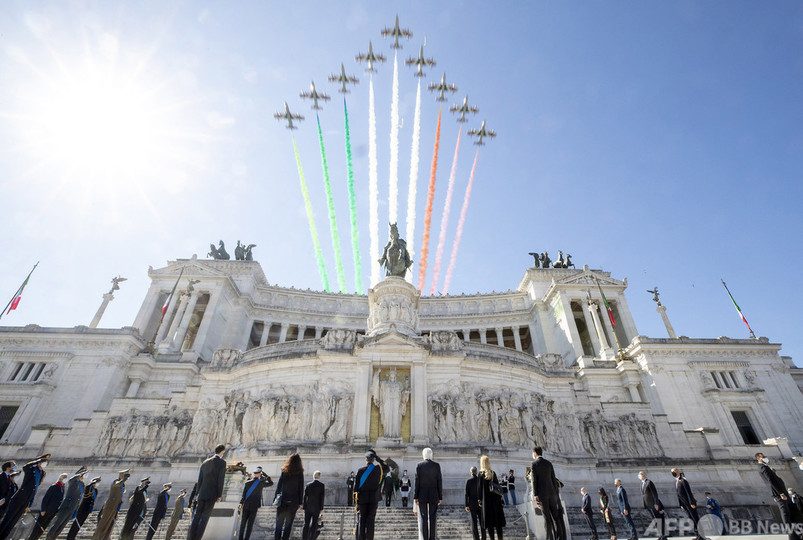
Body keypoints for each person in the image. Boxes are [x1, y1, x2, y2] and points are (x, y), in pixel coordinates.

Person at [0, 453, 49, 540]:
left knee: (13, 522)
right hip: (19, 498)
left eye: (45, 462)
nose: (44, 463)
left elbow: (35, 488)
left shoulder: (42, 473)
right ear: (39, 462)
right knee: (7, 520)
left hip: (27, 500)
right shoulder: (32, 469)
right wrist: (36, 461)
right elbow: (25, 467)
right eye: (43, 461)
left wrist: (30, 503)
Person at [188, 444, 226, 540]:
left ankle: (190, 537)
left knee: (196, 517)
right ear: (222, 452)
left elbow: (199, 479)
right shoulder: (222, 463)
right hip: (212, 494)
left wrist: (197, 494)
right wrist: (219, 495)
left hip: (201, 494)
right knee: (204, 518)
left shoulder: (205, 462)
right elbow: (220, 480)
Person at [756, 452, 797, 540]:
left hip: (780, 492)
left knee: (788, 512)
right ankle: (791, 534)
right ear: (758, 458)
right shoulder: (763, 467)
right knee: (785, 513)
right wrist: (780, 493)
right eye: (763, 457)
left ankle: (794, 533)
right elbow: (771, 482)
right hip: (780, 493)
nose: (765, 458)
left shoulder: (764, 466)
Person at [531, 446, 565, 540]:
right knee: (556, 517)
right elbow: (553, 480)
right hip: (552, 494)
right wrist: (555, 494)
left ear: (535, 453)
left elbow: (534, 480)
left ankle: (549, 538)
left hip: (542, 495)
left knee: (547, 519)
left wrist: (535, 494)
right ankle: (560, 537)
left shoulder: (534, 464)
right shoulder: (549, 463)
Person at [46, 466, 88, 540]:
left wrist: (76, 509)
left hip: (73, 508)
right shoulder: (74, 482)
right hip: (67, 506)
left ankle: (53, 538)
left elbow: (79, 498)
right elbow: (71, 479)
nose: (84, 476)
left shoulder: (82, 484)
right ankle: (48, 538)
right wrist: (79, 475)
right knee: (57, 524)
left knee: (62, 526)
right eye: (84, 473)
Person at [273, 452, 304, 540]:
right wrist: (300, 502)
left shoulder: (284, 471)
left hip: (282, 500)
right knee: (288, 526)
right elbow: (300, 488)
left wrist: (275, 498)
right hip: (293, 502)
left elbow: (279, 486)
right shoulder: (300, 472)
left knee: (279, 525)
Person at [28, 472, 67, 540]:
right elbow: (46, 498)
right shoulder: (54, 486)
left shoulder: (62, 488)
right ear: (60, 479)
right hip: (46, 511)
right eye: (64, 478)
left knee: (43, 529)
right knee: (37, 528)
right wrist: (43, 509)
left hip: (53, 511)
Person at [414, 447, 443, 540]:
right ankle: (432, 537)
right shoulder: (436, 466)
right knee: (433, 517)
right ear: (431, 455)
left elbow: (417, 482)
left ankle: (425, 537)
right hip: (434, 494)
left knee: (423, 517)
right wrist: (440, 496)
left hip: (422, 494)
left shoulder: (419, 465)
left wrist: (416, 496)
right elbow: (439, 481)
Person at [93, 469, 129, 540]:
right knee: (103, 522)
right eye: (124, 475)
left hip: (115, 506)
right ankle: (97, 537)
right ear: (121, 475)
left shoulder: (122, 484)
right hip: (110, 505)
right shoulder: (116, 482)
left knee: (110, 523)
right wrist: (124, 479)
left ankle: (104, 537)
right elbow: (117, 485)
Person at [355, 450, 384, 540]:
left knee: (362, 520)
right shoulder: (378, 469)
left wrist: (355, 502)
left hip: (362, 499)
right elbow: (386, 467)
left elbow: (356, 488)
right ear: (373, 460)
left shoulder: (360, 471)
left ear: (366, 459)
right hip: (373, 499)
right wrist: (378, 459)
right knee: (371, 520)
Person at [477, 455, 505, 540]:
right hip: (496, 501)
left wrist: (480, 501)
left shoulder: (481, 475)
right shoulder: (493, 473)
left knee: (490, 525)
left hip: (487, 502)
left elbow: (479, 489)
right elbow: (497, 487)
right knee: (498, 524)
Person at [239, 467, 270, 540]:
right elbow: (270, 483)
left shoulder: (247, 482)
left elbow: (243, 495)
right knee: (250, 525)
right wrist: (265, 474)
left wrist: (241, 504)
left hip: (246, 505)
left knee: (242, 524)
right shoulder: (261, 483)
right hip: (254, 506)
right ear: (259, 474)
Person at [66, 476, 101, 540]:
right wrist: (91, 483)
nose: (97, 484)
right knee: (76, 523)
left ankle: (73, 537)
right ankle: (70, 537)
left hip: (88, 509)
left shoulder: (95, 490)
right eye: (97, 482)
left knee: (80, 523)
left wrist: (90, 511)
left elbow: (93, 501)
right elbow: (86, 492)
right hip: (83, 508)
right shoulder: (89, 487)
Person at [671, 468, 701, 539]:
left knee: (695, 518)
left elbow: (688, 493)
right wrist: (681, 504)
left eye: (674, 471)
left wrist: (692, 502)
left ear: (678, 472)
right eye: (672, 472)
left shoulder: (683, 481)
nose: (673, 473)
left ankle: (700, 535)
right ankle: (697, 535)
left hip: (689, 503)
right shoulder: (676, 482)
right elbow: (679, 495)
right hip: (684, 504)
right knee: (691, 519)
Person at [639, 471, 666, 540]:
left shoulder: (649, 482)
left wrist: (656, 503)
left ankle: (663, 535)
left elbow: (655, 493)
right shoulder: (641, 484)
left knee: (658, 519)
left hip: (653, 504)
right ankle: (660, 535)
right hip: (648, 505)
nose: (641, 476)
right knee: (655, 520)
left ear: (645, 475)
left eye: (642, 474)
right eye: (640, 475)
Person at [302, 470, 325, 540]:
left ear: (313, 476)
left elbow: (305, 497)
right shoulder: (321, 485)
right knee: (314, 525)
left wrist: (304, 507)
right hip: (316, 508)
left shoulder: (308, 485)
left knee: (306, 524)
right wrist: (321, 508)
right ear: (319, 477)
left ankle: (304, 538)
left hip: (308, 507)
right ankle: (312, 538)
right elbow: (322, 498)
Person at [465, 467, 484, 540]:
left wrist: (466, 505)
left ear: (471, 472)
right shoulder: (480, 480)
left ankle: (476, 538)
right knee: (482, 522)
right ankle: (483, 537)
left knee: (474, 522)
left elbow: (467, 494)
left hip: (472, 504)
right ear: (476, 472)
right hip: (480, 504)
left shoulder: (469, 481)